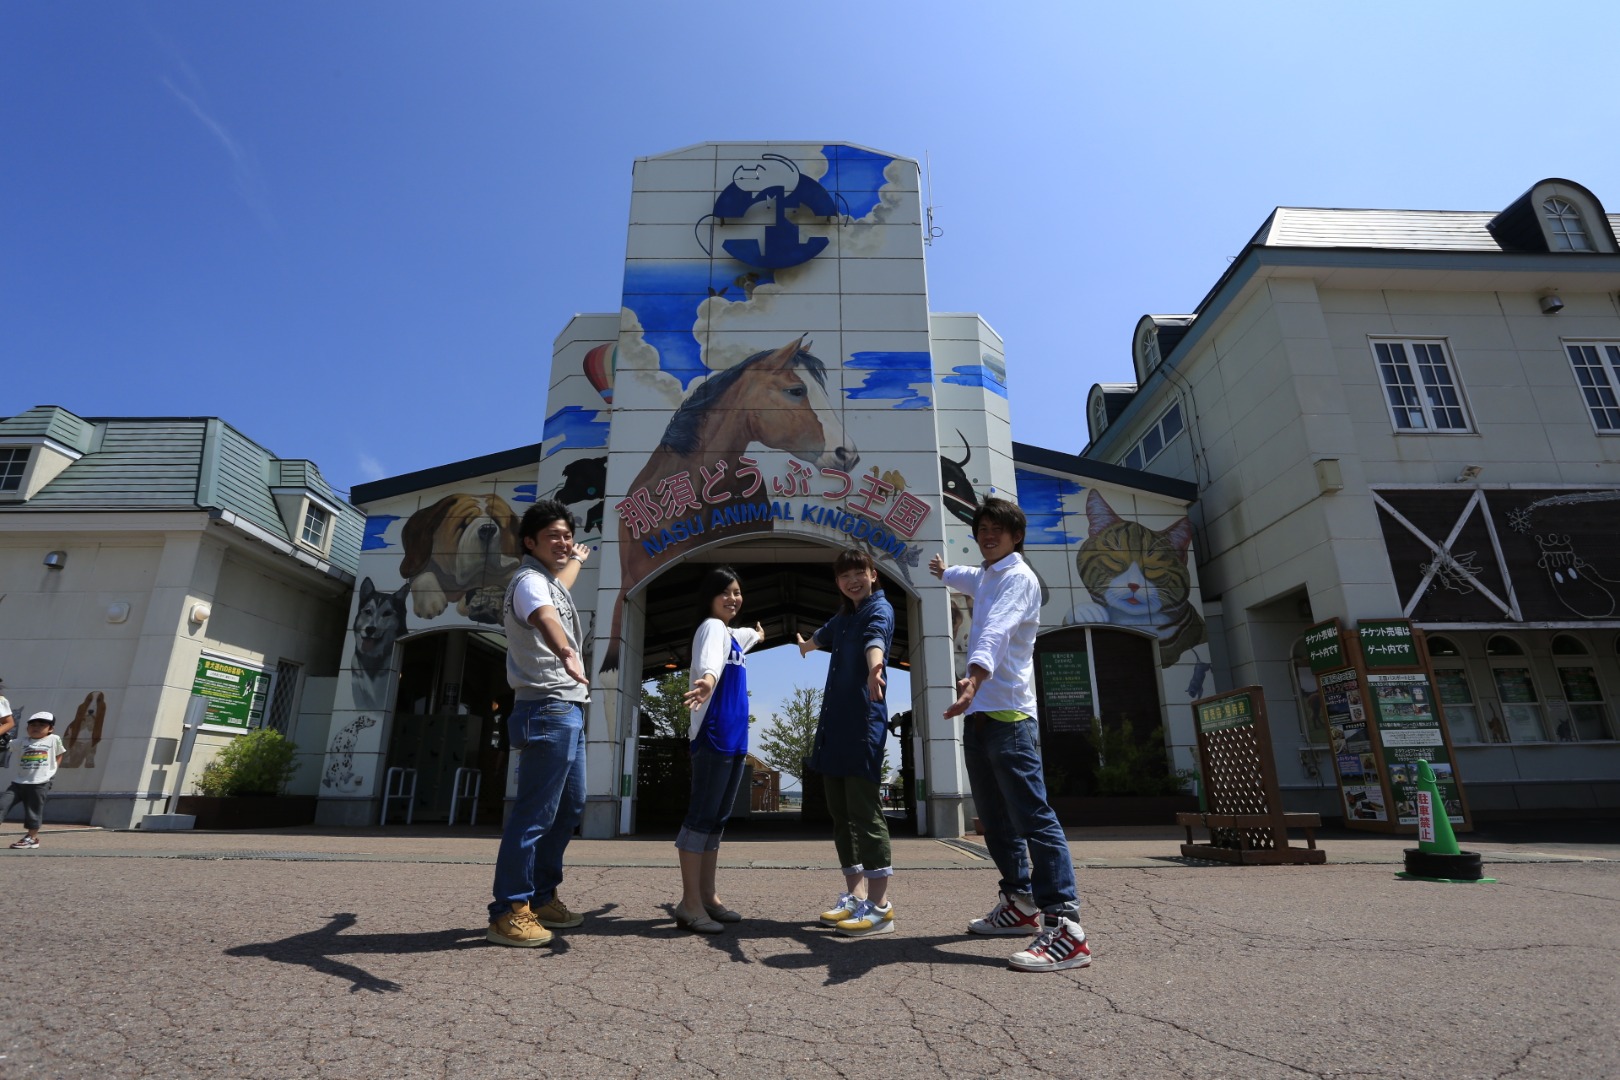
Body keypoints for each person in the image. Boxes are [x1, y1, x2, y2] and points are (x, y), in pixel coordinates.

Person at [931, 497, 1091, 972]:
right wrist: (943, 571)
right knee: (995, 823)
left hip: (1010, 720)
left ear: (1016, 536)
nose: (987, 534)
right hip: (980, 720)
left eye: (997, 529)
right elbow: (966, 577)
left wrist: (974, 677)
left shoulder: (1018, 580)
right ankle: (1020, 904)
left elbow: (995, 630)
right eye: (982, 528)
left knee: (1034, 820)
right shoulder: (986, 575)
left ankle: (1066, 927)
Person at [486, 500, 593, 948]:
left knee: (569, 809)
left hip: (567, 708)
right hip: (547, 708)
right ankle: (509, 910)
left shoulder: (548, 580)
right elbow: (544, 616)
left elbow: (558, 591)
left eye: (567, 534)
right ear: (529, 542)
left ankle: (542, 895)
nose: (565, 542)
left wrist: (578, 563)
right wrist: (565, 651)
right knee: (534, 814)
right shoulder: (529, 582)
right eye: (554, 536)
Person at [797, 547, 897, 938]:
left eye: (859, 572)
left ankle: (881, 907)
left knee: (864, 813)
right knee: (840, 814)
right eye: (844, 576)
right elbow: (822, 636)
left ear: (873, 574)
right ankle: (856, 897)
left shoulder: (878, 610)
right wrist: (806, 645)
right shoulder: (846, 615)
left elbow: (876, 640)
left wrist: (876, 667)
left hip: (860, 725)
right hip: (834, 727)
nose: (852, 580)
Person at [673, 566, 763, 933]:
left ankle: (708, 897)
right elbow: (710, 662)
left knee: (716, 821)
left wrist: (758, 635)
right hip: (713, 736)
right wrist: (708, 681)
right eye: (724, 592)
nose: (733, 598)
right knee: (700, 818)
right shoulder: (711, 628)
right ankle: (690, 903)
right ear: (709, 598)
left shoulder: (733, 635)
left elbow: (745, 635)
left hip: (734, 739)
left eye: (737, 592)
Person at [3, 711, 67, 849]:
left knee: (33, 811)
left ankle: (31, 838)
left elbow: (60, 753)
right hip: (19, 782)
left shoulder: (53, 739)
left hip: (40, 782)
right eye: (32, 725)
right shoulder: (22, 741)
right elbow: (7, 745)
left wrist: (52, 771)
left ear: (50, 729)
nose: (36, 727)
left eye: (41, 725)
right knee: (2, 804)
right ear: (27, 728)